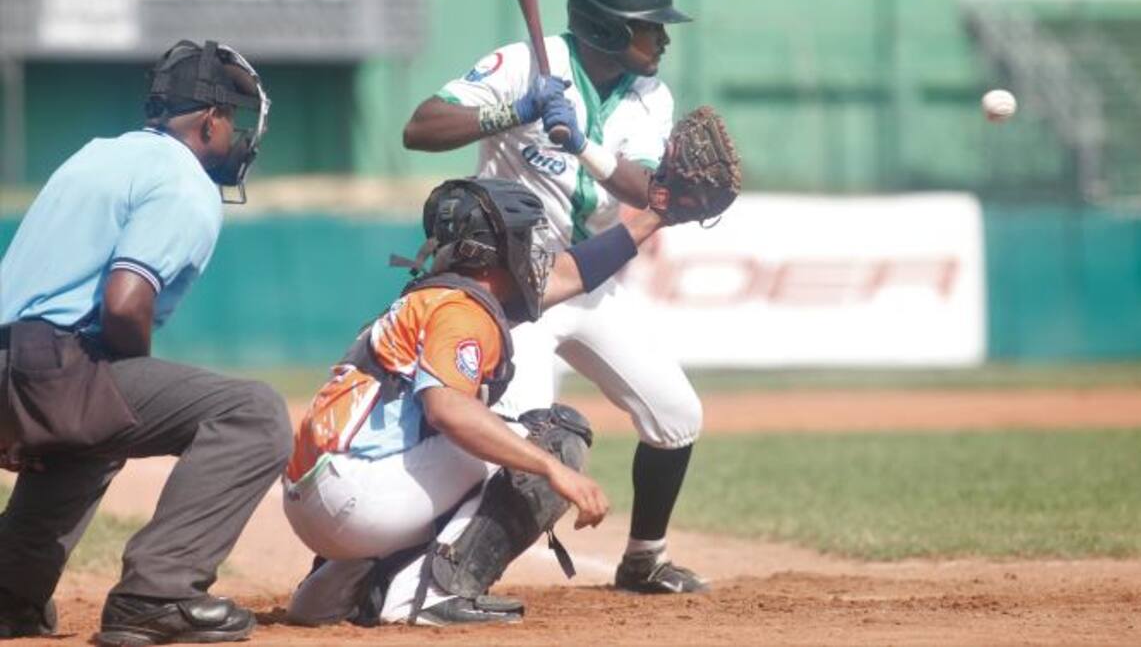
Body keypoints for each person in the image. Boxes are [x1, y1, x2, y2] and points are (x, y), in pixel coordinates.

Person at [402, 0, 706, 593]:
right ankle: (435, 576)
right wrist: (511, 112)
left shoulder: (651, 91)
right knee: (526, 442)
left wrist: (582, 145)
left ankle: (644, 559)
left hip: (588, 279)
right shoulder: (522, 64)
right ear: (605, 31)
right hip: (509, 290)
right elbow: (420, 127)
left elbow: (646, 187)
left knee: (677, 414)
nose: (663, 39)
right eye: (649, 27)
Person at [283, 177, 677, 626]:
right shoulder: (463, 311)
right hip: (357, 498)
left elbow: (570, 273)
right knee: (550, 438)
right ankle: (431, 593)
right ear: (497, 250)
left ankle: (332, 590)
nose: (532, 251)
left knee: (478, 435)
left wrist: (656, 218)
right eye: (525, 238)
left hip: (314, 499)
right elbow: (447, 408)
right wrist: (551, 468)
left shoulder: (436, 295)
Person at [0, 40, 292, 645]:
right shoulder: (184, 179)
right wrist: (112, 386)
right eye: (232, 120)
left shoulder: (95, 155)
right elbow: (126, 300)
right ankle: (157, 594)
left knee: (92, 437)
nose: (235, 136)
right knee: (254, 412)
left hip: (14, 364)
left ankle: (8, 594)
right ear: (209, 120)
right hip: (51, 365)